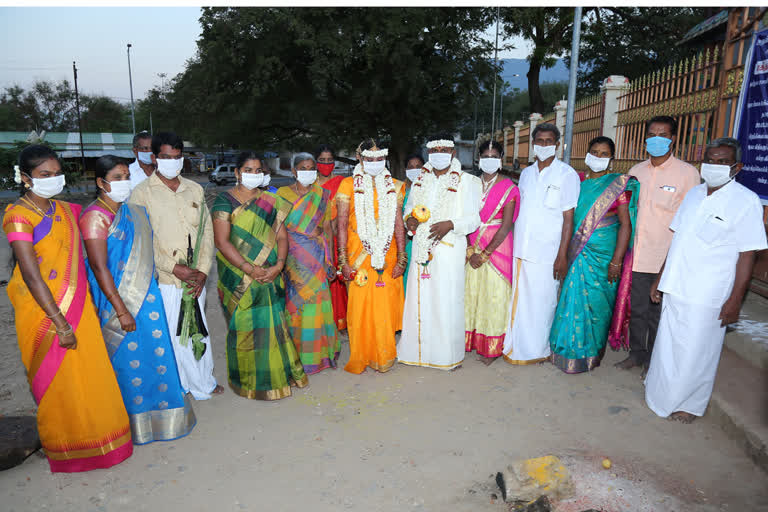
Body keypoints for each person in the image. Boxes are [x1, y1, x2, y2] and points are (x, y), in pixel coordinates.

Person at [3, 145, 132, 471]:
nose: (53, 179)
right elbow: (31, 275)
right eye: (45, 175)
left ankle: (106, 442)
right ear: (25, 178)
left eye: (57, 173)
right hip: (45, 313)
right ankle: (66, 446)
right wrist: (59, 321)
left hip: (80, 307)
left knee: (91, 373)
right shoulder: (17, 215)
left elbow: (101, 232)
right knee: (57, 380)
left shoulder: (68, 211)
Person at [645, 138, 767, 423]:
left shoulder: (746, 201)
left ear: (737, 167)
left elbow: (747, 256)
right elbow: (676, 239)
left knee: (698, 351)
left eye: (723, 161)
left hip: (708, 292)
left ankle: (690, 404)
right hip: (676, 283)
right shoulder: (694, 194)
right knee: (669, 344)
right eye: (710, 159)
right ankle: (659, 394)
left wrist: (735, 300)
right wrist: (660, 279)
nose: (714, 165)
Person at [81, 155, 196, 442]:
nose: (124, 183)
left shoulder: (135, 212)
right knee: (126, 358)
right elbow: (99, 267)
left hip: (148, 299)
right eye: (117, 178)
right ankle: (129, 426)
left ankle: (164, 420)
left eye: (126, 177)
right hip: (117, 302)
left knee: (156, 353)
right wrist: (121, 310)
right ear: (100, 182)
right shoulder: (94, 217)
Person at [129, 132, 224, 400]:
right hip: (166, 279)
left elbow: (205, 233)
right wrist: (174, 268)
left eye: (177, 157)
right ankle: (183, 384)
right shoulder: (141, 193)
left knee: (198, 329)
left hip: (196, 277)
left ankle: (203, 381)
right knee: (174, 334)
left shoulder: (193, 189)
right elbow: (142, 240)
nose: (172, 162)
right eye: (166, 157)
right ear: (154, 157)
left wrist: (203, 270)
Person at [212, 151, 307, 399]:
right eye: (248, 170)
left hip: (271, 273)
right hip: (239, 276)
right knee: (244, 328)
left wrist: (279, 266)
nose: (253, 175)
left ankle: (279, 376)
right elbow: (222, 242)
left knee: (274, 326)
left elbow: (282, 236)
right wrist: (249, 268)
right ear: (236, 173)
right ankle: (248, 381)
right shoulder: (224, 201)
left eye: (258, 171)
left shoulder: (270, 200)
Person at [615, 116, 700, 374]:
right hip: (638, 255)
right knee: (638, 308)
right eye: (652, 134)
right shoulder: (636, 172)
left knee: (659, 313)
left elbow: (691, 220)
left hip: (667, 257)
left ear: (673, 138)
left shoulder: (687, 174)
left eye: (663, 134)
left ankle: (655, 359)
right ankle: (637, 354)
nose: (657, 139)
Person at [549, 137, 640, 373]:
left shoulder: (618, 184)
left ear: (611, 159)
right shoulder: (576, 182)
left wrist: (617, 260)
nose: (598, 158)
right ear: (587, 154)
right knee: (571, 299)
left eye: (604, 154)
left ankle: (589, 354)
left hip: (604, 256)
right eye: (594, 152)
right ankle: (565, 352)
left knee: (598, 305)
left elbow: (625, 225)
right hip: (576, 251)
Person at [399, 133, 481, 370]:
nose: (439, 156)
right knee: (419, 300)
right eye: (435, 152)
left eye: (445, 151)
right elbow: (411, 209)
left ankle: (445, 356)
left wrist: (451, 224)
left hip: (448, 250)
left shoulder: (467, 181)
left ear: (453, 154)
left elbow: (474, 219)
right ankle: (416, 353)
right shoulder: (420, 181)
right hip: (421, 248)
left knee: (445, 301)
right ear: (429, 154)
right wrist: (409, 221)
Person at [502, 123, 580, 365]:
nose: (544, 145)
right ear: (534, 144)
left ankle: (538, 349)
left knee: (543, 301)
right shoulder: (526, 174)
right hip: (522, 248)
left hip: (547, 251)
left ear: (557, 145)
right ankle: (515, 346)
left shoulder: (567, 175)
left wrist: (562, 255)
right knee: (519, 301)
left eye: (549, 141)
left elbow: (569, 218)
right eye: (540, 141)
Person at [336, 139, 407, 373]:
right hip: (359, 254)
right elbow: (342, 224)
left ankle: (383, 356)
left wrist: (402, 258)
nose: (375, 163)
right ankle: (362, 355)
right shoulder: (347, 185)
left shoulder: (395, 185)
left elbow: (398, 224)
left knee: (384, 307)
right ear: (360, 159)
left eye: (380, 159)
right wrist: (344, 261)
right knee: (360, 308)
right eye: (370, 159)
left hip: (388, 255)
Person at [276, 153, 340, 374]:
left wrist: (330, 259)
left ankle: (320, 356)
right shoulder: (282, 194)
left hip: (316, 257)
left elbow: (328, 229)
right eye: (303, 168)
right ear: (293, 171)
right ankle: (297, 356)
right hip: (293, 257)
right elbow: (276, 227)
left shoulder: (323, 195)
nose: (308, 172)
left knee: (318, 305)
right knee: (296, 304)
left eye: (312, 168)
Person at [464, 140, 519, 365]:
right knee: (472, 294)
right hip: (473, 243)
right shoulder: (470, 185)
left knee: (495, 297)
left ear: (501, 159)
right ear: (478, 159)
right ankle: (473, 342)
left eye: (494, 156)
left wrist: (484, 254)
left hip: (498, 246)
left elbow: (506, 225)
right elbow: (465, 217)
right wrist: (470, 250)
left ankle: (492, 348)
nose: (489, 160)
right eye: (485, 155)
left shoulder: (510, 188)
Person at [316, 144, 349, 331]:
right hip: (317, 239)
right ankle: (323, 320)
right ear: (316, 162)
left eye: (329, 160)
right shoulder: (311, 185)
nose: (326, 164)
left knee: (338, 279)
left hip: (338, 237)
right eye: (322, 160)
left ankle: (340, 319)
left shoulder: (341, 182)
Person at [402, 154, 425, 293]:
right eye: (410, 167)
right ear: (405, 170)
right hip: (402, 244)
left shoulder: (427, 191)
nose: (414, 170)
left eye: (418, 167)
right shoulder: (399, 191)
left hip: (420, 243)